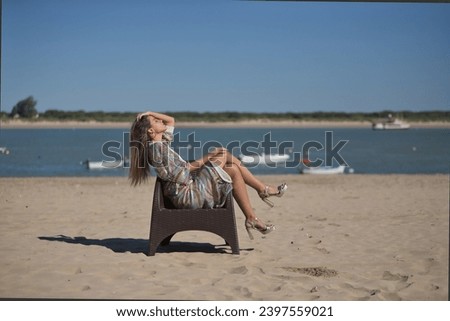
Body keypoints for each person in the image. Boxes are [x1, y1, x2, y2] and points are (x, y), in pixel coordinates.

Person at [129, 111, 287, 239]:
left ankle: (252, 217)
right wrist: (208, 157)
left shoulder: (161, 143)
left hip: (189, 188)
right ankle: (262, 189)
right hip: (187, 195)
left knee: (232, 168)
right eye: (155, 121)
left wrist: (150, 113)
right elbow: (181, 173)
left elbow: (171, 120)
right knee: (223, 153)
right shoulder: (156, 150)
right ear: (150, 131)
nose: (159, 120)